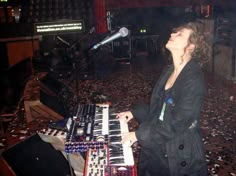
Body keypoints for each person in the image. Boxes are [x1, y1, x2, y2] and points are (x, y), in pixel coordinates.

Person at [116, 21, 211, 176]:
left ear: (191, 46)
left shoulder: (193, 79)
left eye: (179, 34)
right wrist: (133, 113)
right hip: (160, 142)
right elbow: (160, 109)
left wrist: (138, 135)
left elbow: (177, 122)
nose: (172, 34)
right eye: (174, 32)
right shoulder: (169, 70)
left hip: (178, 151)